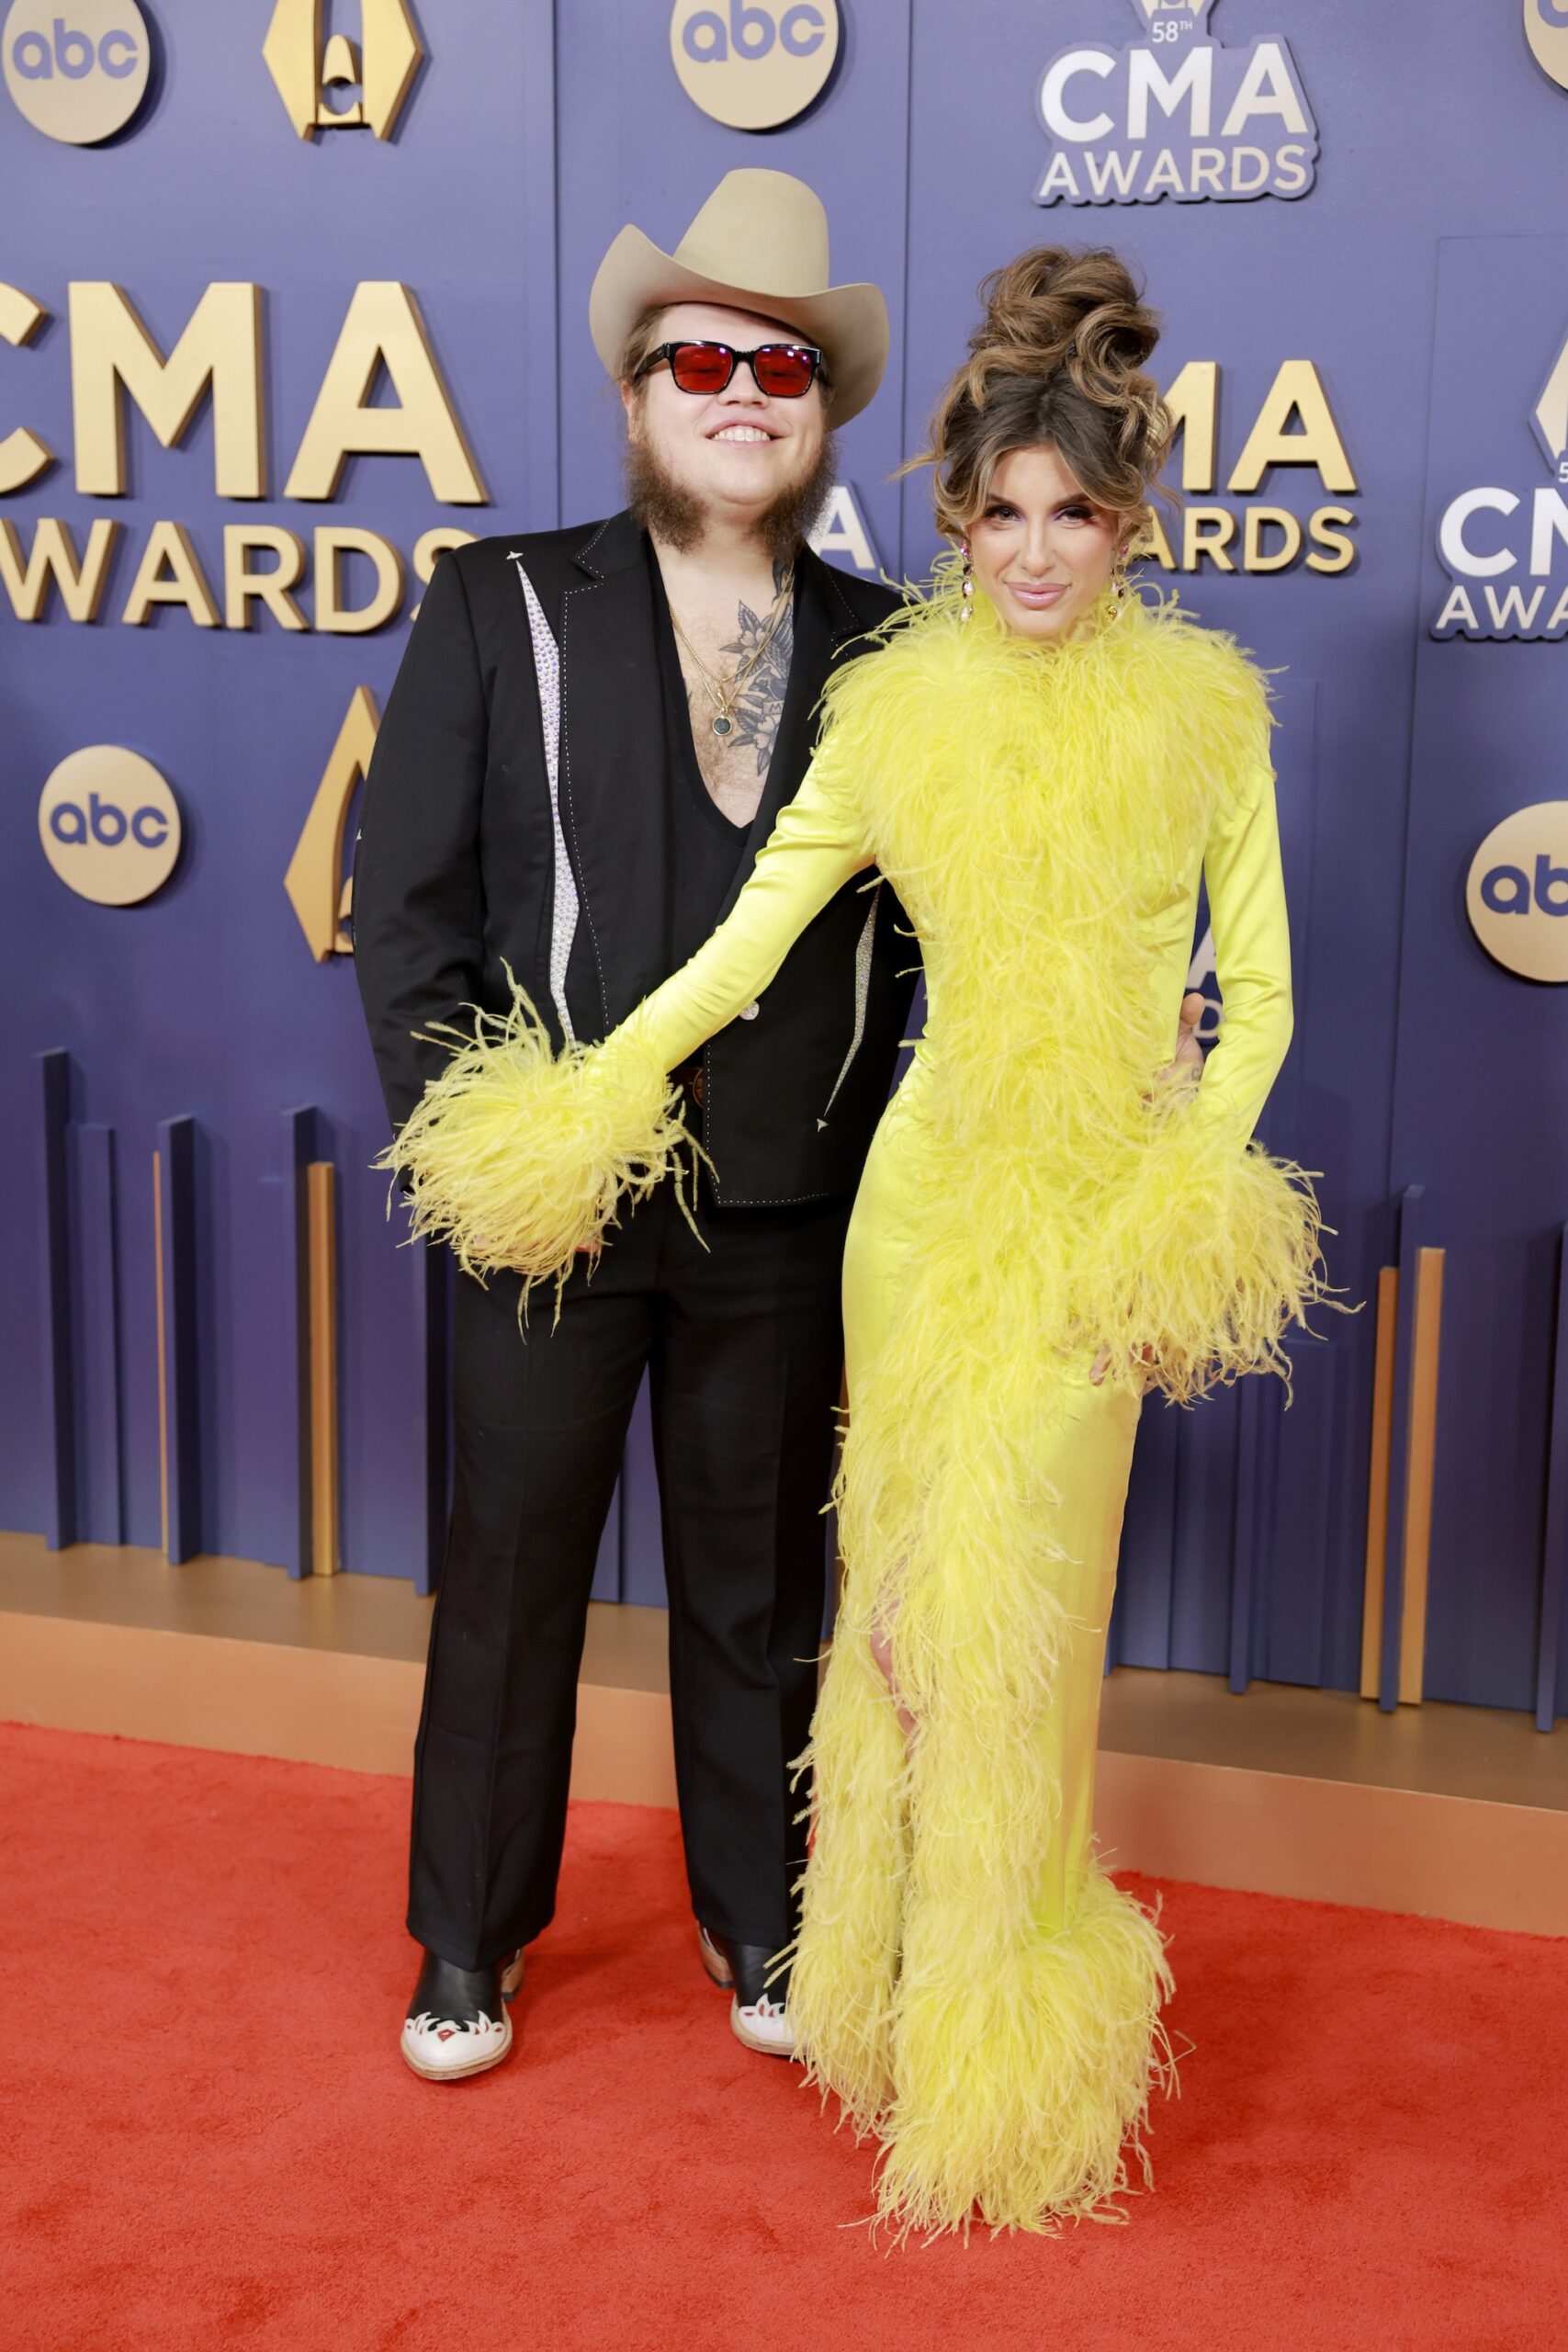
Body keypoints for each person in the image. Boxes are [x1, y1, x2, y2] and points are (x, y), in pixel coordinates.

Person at [389, 244, 1325, 2231]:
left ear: (1128, 515)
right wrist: (577, 1100)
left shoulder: (1154, 706)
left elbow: (1250, 996)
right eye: (999, 511)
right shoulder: (820, 687)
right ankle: (775, 1987)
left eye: (1073, 510)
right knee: (877, 1624)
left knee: (979, 1630)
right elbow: (744, 939)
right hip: (882, 1213)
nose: (1036, 548)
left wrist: (1172, 1197)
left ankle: (960, 2022)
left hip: (1012, 1219)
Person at [353, 169, 919, 2079]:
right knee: (507, 1584)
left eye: (779, 360)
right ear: (635, 390)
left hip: (789, 1210)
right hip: (555, 1212)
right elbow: (409, 914)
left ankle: (764, 1919)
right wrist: (488, 1154)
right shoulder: (498, 598)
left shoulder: (899, 646)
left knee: (763, 1597)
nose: (739, 385)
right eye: (700, 353)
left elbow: (940, 937)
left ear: (819, 409)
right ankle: (464, 1937)